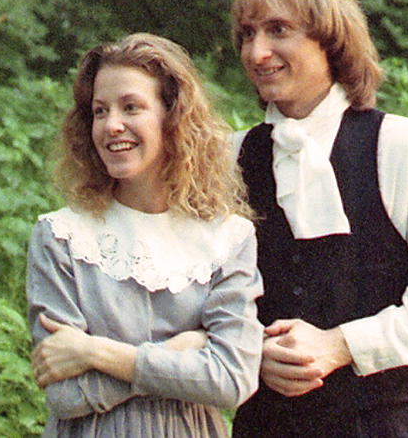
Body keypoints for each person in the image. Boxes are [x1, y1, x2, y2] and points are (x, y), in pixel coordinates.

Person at [229, 0, 408, 438]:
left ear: (330, 35)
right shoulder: (229, 159)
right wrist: (250, 351)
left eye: (278, 30)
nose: (256, 51)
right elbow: (193, 295)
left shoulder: (407, 148)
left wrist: (341, 345)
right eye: (247, 33)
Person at [25, 33, 263, 438]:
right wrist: (179, 352)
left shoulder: (227, 237)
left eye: (131, 107)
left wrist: (96, 352)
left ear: (172, 117)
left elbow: (231, 380)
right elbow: (64, 396)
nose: (112, 125)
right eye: (100, 111)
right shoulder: (62, 236)